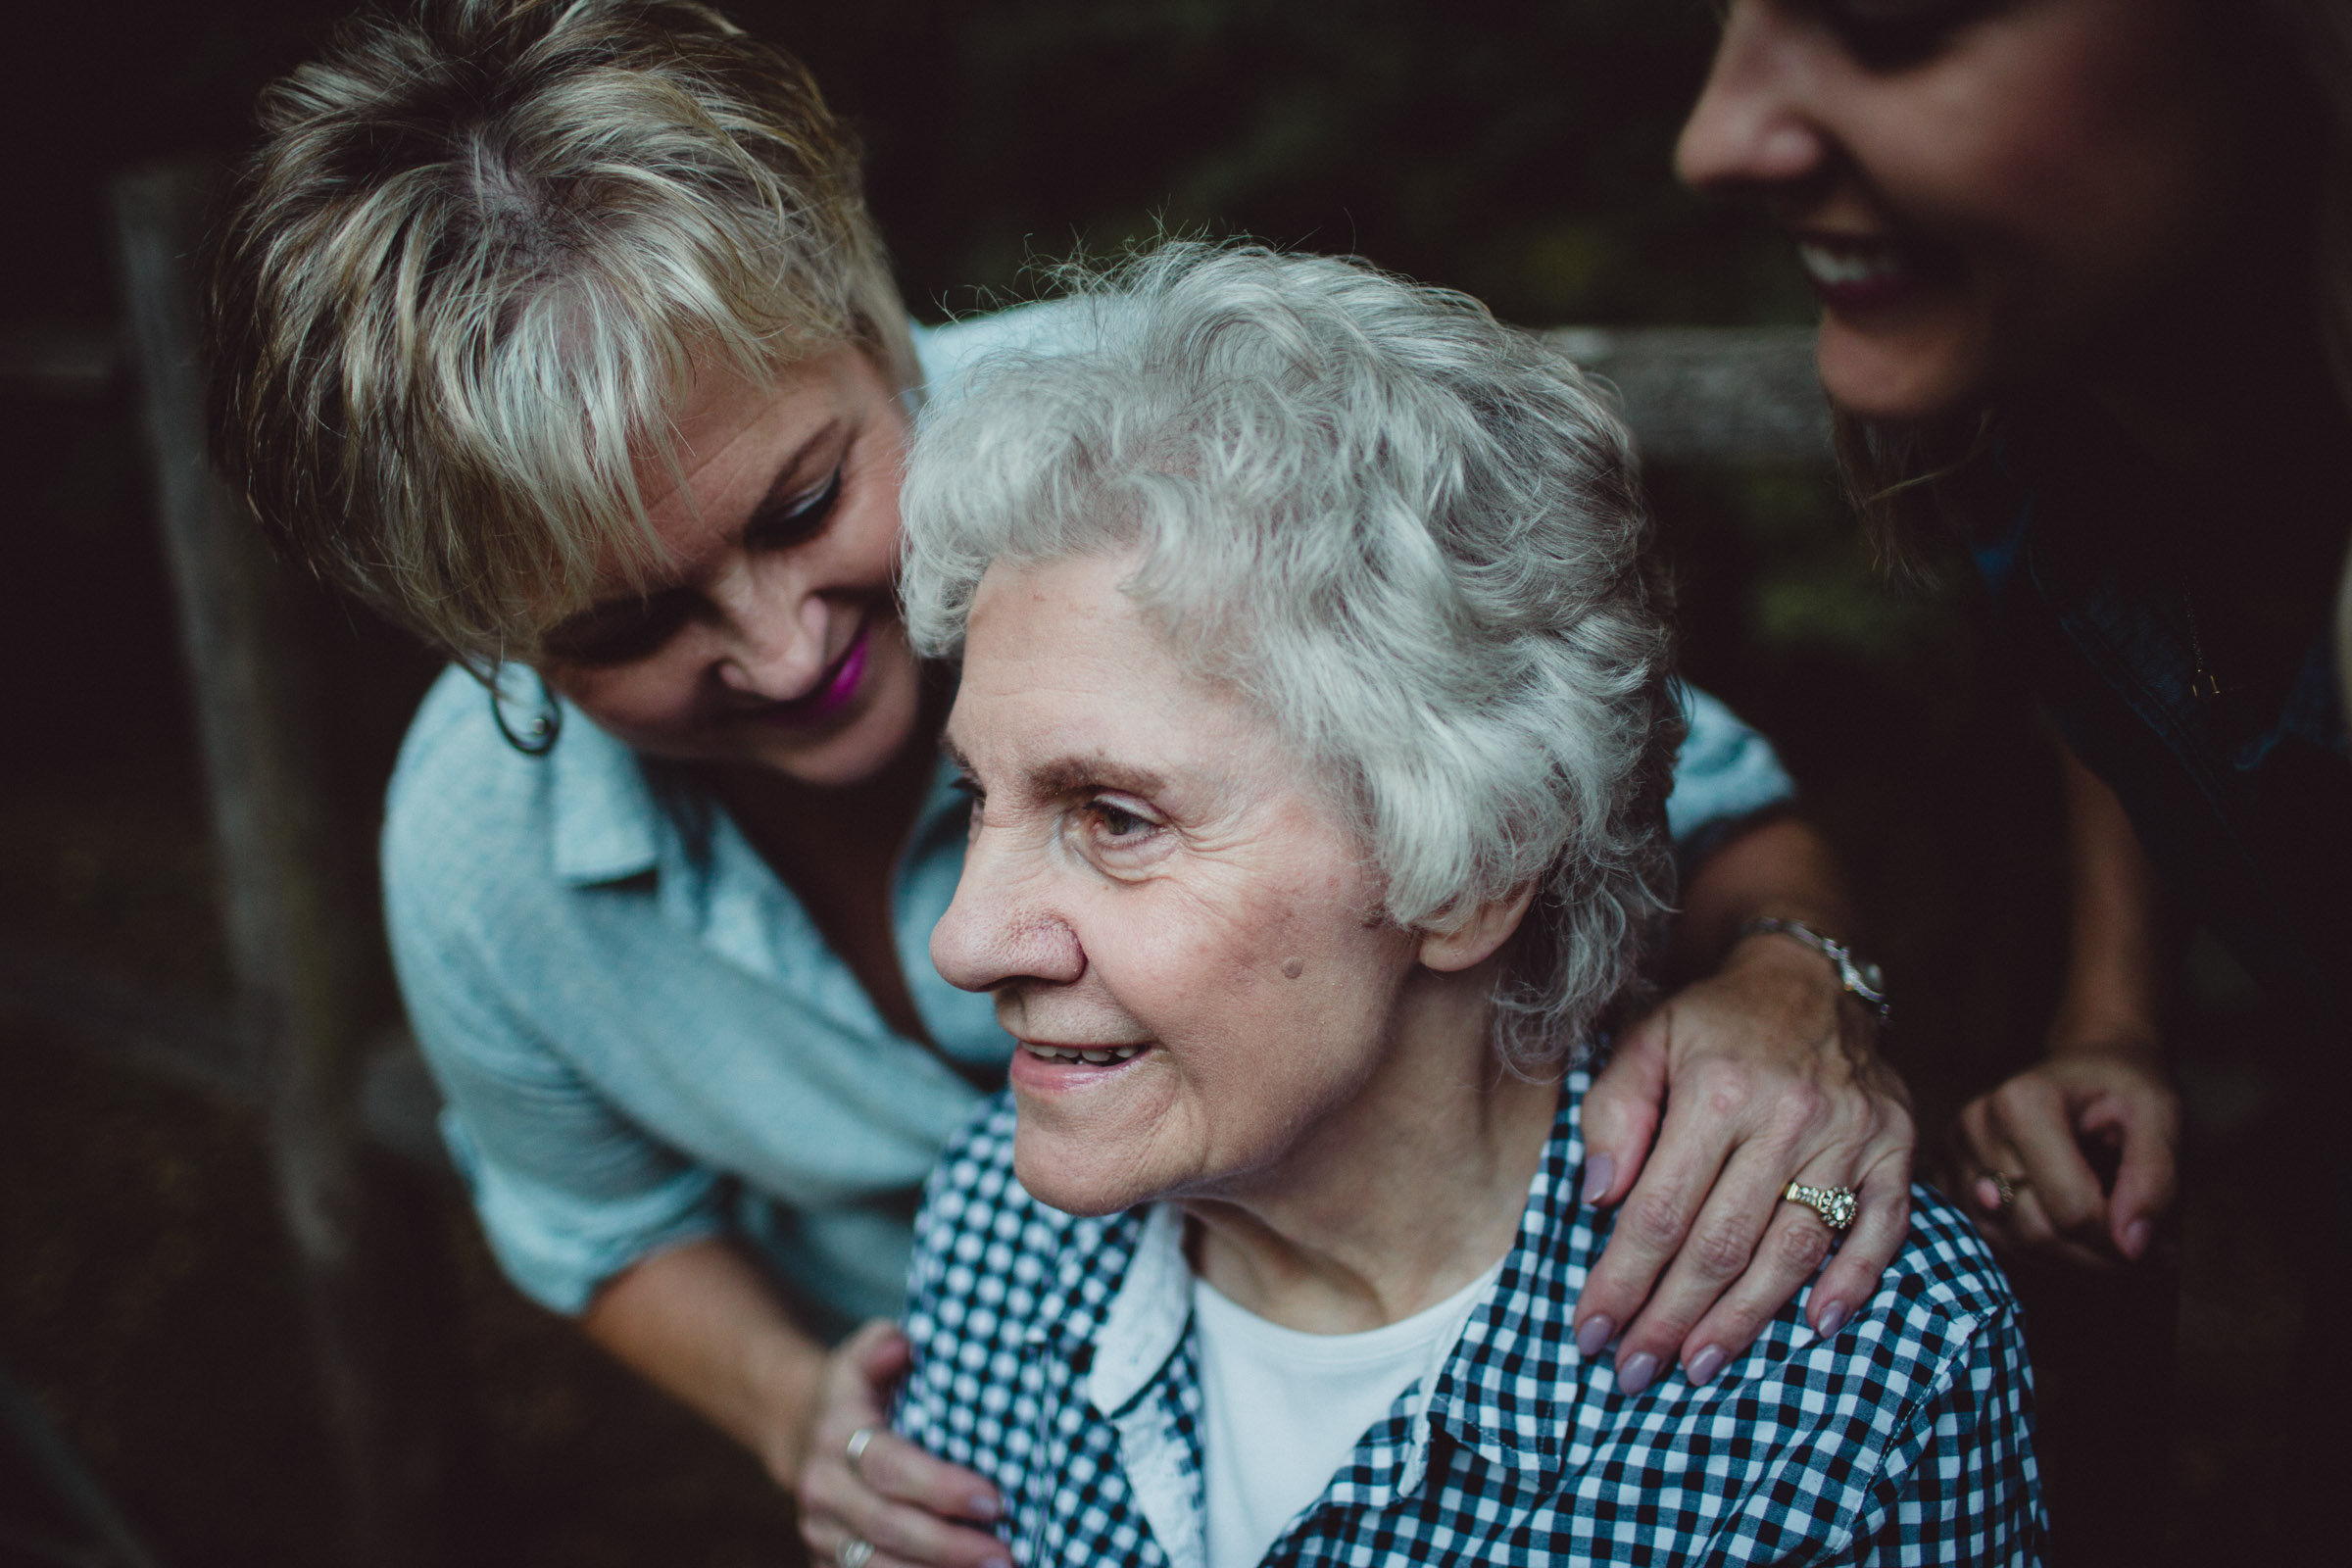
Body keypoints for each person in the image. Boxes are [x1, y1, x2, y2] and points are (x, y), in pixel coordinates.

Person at [206, 3, 1912, 1560]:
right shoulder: (475, 857)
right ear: (498, 641)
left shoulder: (1170, 466)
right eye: (632, 623)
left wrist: (1788, 980)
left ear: (884, 342)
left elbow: (1651, 780)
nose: (789, 651)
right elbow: (596, 1219)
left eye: (804, 506)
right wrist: (797, 1408)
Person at [886, 242, 2042, 1568]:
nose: (965, 938)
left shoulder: (1849, 1388)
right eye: (978, 797)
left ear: (1478, 867)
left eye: (1117, 818)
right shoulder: (996, 1220)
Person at [1674, 0, 2352, 1552]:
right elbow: (2113, 678)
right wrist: (2114, 1019)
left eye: (1891, 28)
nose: (1713, 139)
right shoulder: (2023, 439)